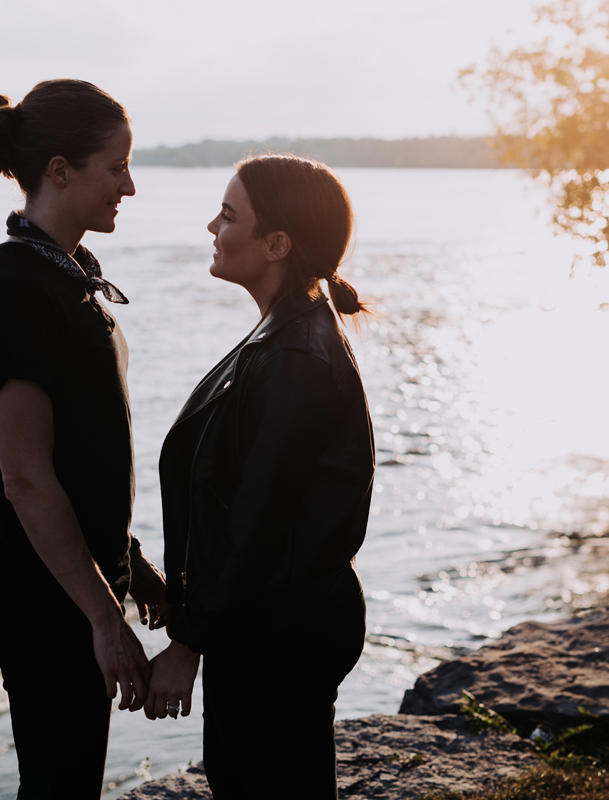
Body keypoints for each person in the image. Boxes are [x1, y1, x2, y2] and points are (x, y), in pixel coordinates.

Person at [145, 154, 376, 798]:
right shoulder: (281, 334)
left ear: (277, 243)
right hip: (266, 620)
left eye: (228, 214)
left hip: (280, 631)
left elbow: (256, 517)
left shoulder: (295, 356)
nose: (211, 227)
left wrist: (188, 643)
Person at [0, 79, 166, 798]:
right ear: (59, 170)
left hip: (79, 582)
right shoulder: (14, 289)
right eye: (116, 168)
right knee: (58, 787)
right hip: (43, 596)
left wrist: (129, 562)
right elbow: (25, 480)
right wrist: (104, 619)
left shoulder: (68, 277)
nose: (129, 186)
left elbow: (86, 449)